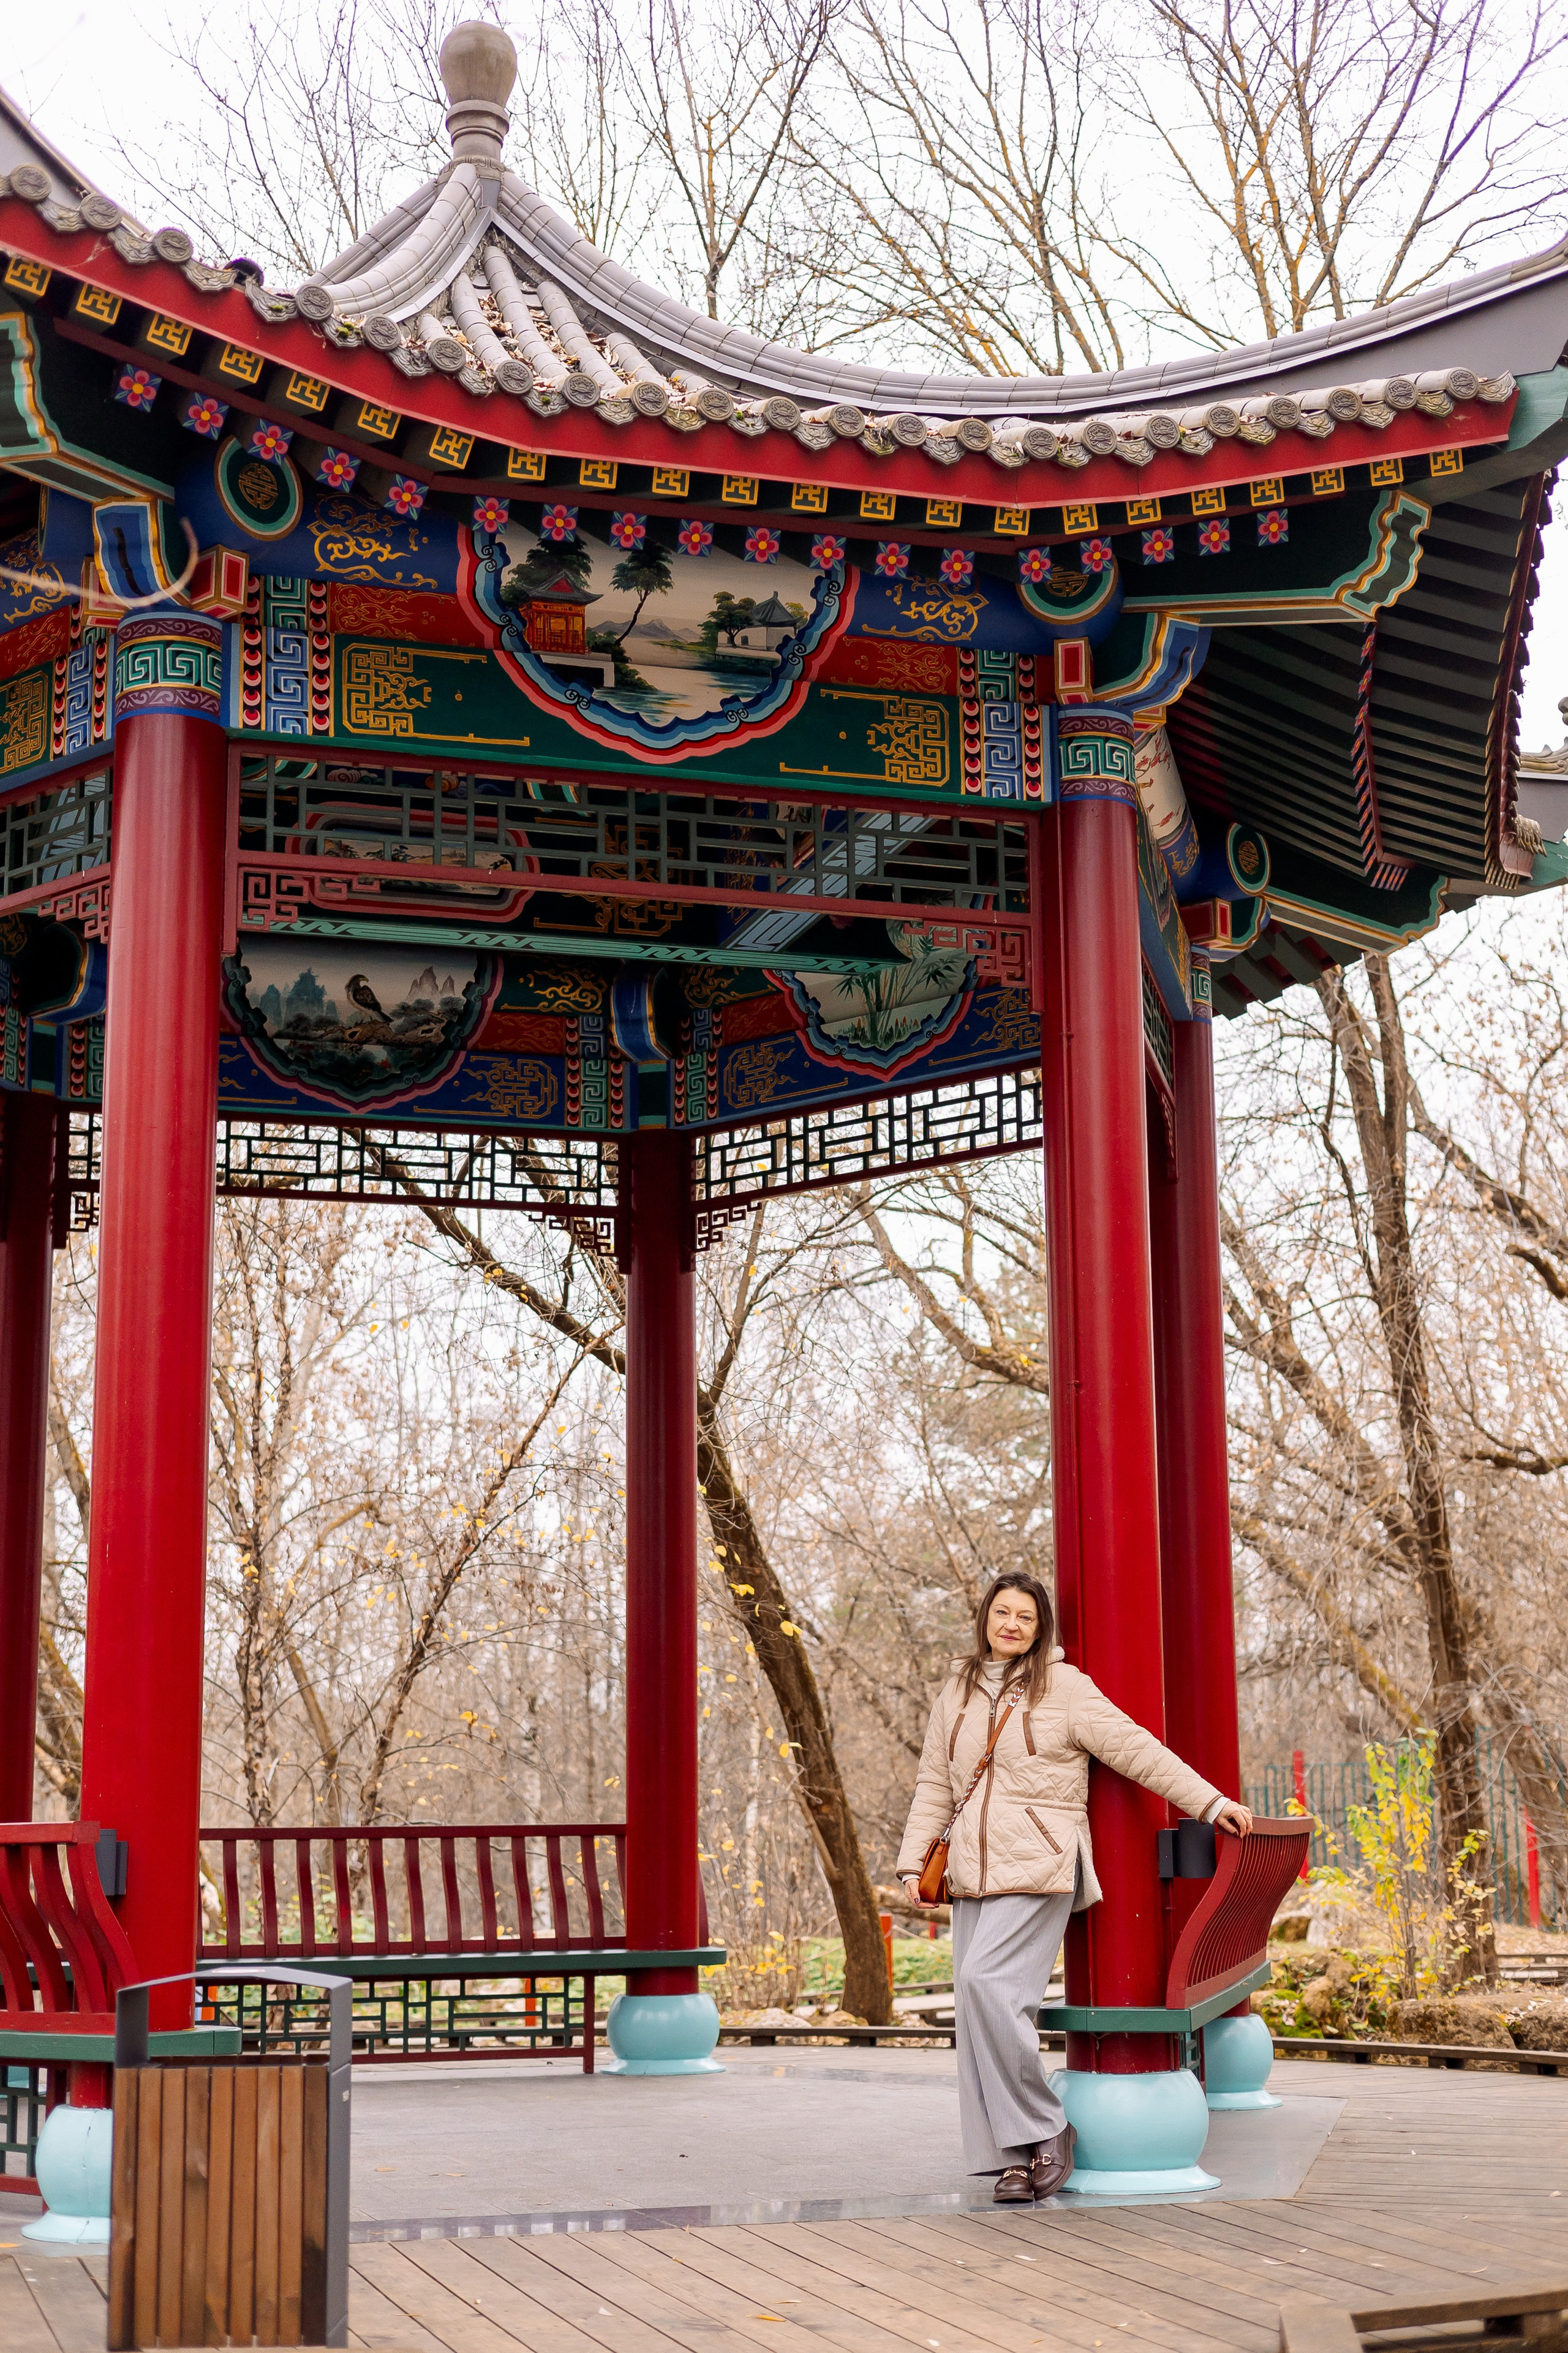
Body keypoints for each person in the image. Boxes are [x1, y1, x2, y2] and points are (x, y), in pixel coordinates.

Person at [897, 1570, 1253, 2204]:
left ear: (1040, 1629)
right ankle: (1009, 2157)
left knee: (989, 1989)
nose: (1010, 1624)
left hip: (1038, 1865)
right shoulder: (955, 1689)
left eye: (1024, 1617)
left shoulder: (1063, 1687)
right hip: (969, 1873)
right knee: (975, 2011)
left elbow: (1135, 1749)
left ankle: (1046, 2126)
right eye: (1001, 1612)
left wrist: (1208, 1801)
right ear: (984, 1617)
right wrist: (912, 1861)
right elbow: (934, 1782)